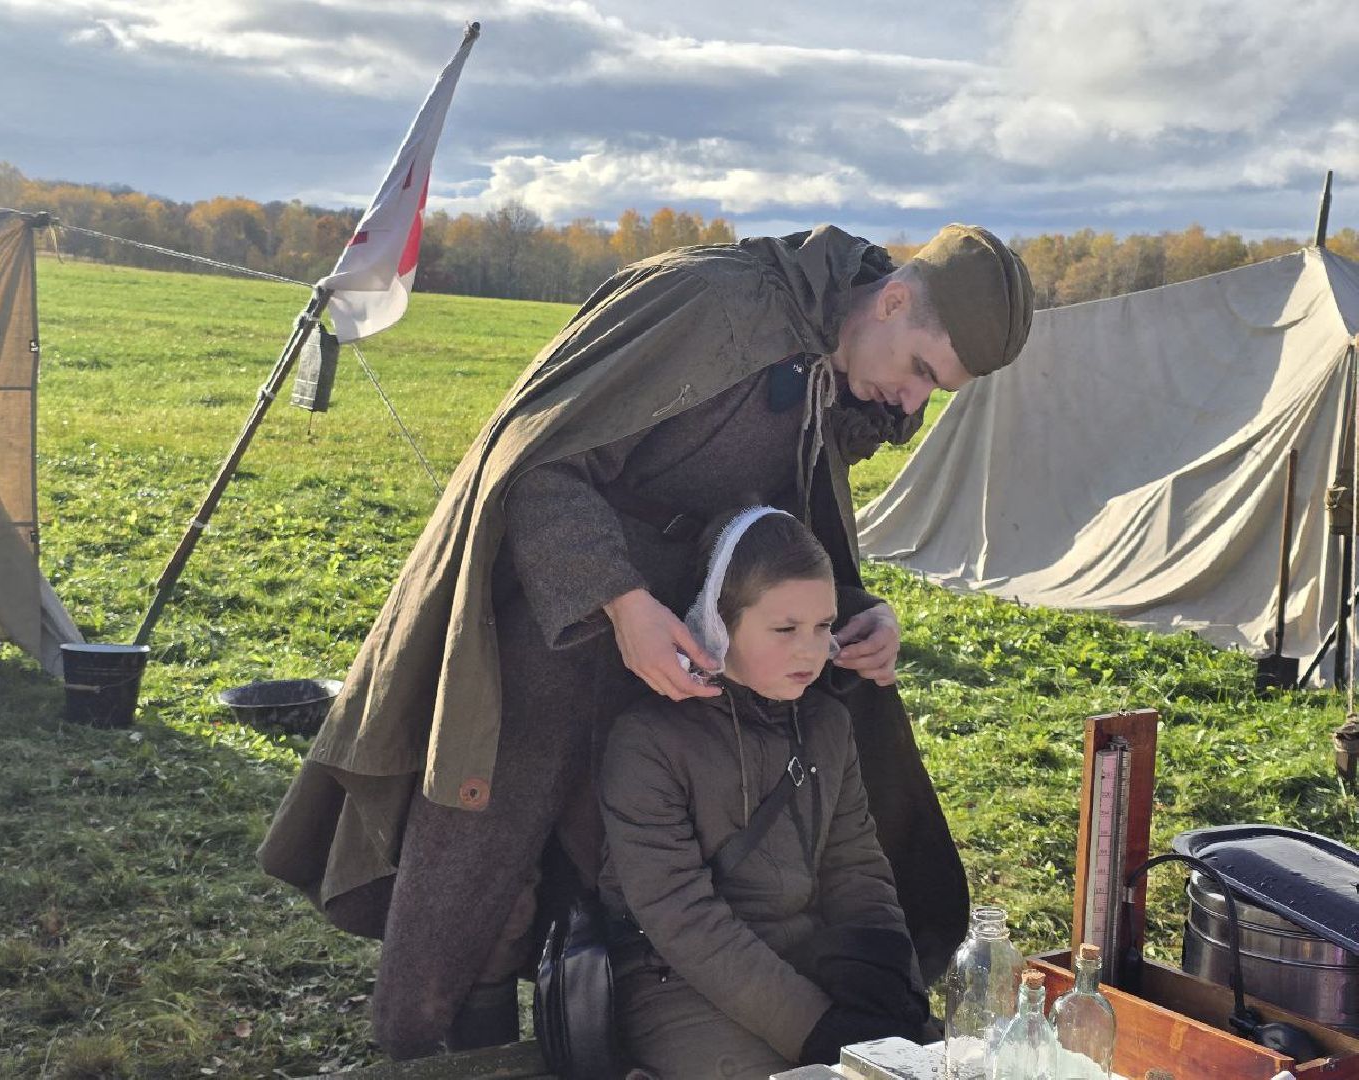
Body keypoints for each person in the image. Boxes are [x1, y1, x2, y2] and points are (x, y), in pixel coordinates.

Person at [257, 223, 1034, 1058]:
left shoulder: (825, 355)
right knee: (479, 875)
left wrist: (852, 607)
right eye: (921, 371)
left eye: (936, 393)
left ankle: (588, 1044)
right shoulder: (715, 303)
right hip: (552, 626)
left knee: (613, 881)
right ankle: (427, 1055)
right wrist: (621, 602)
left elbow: (771, 513)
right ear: (890, 300)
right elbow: (539, 463)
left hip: (686, 632)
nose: (911, 403)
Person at [601, 506, 932, 1079]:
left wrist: (885, 975)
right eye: (785, 629)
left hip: (809, 961)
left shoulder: (828, 723)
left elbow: (855, 863)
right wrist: (817, 1029)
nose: (810, 651)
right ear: (718, 624)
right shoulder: (649, 743)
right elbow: (681, 918)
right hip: (678, 983)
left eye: (824, 626)